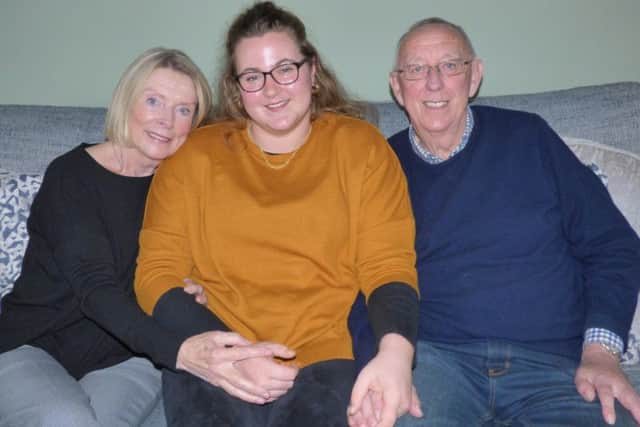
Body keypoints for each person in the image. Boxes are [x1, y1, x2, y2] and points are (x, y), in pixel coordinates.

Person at [134, 2, 421, 426]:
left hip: (322, 358)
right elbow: (155, 272)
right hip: (216, 354)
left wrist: (397, 355)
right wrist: (228, 354)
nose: (271, 90)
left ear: (312, 70)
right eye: (253, 77)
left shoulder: (360, 148)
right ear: (236, 88)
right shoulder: (194, 156)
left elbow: (388, 264)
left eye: (285, 68)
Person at [349, 17, 640, 426]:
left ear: (475, 76)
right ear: (397, 86)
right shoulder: (378, 165)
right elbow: (359, 282)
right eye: (416, 70)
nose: (434, 83)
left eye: (450, 66)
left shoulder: (530, 138)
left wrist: (601, 353)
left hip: (555, 367)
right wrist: (379, 364)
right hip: (434, 365)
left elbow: (613, 245)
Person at [0, 47, 275, 427]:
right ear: (126, 101)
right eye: (153, 101)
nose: (166, 120)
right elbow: (95, 289)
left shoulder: (183, 187)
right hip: (35, 345)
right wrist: (181, 353)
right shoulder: (71, 177)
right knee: (67, 420)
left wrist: (194, 287)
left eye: (183, 110)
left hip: (128, 357)